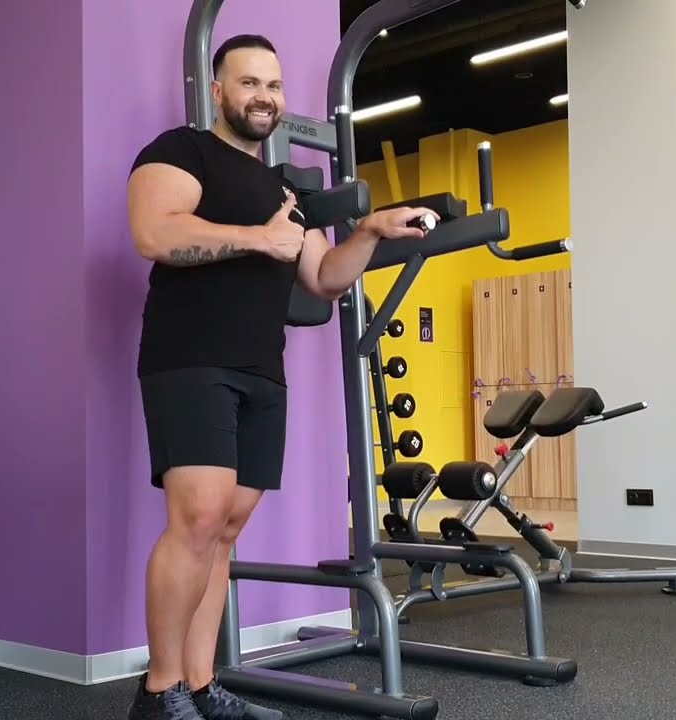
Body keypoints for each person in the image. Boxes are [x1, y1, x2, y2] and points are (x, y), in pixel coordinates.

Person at [123, 33, 437, 720]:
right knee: (197, 518)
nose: (263, 96)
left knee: (224, 530)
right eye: (248, 83)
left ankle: (200, 686)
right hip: (192, 358)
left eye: (273, 85)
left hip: (263, 369)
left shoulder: (283, 191)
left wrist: (370, 231)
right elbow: (154, 233)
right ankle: (158, 693)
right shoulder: (181, 150)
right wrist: (258, 238)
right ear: (218, 91)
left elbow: (323, 278)